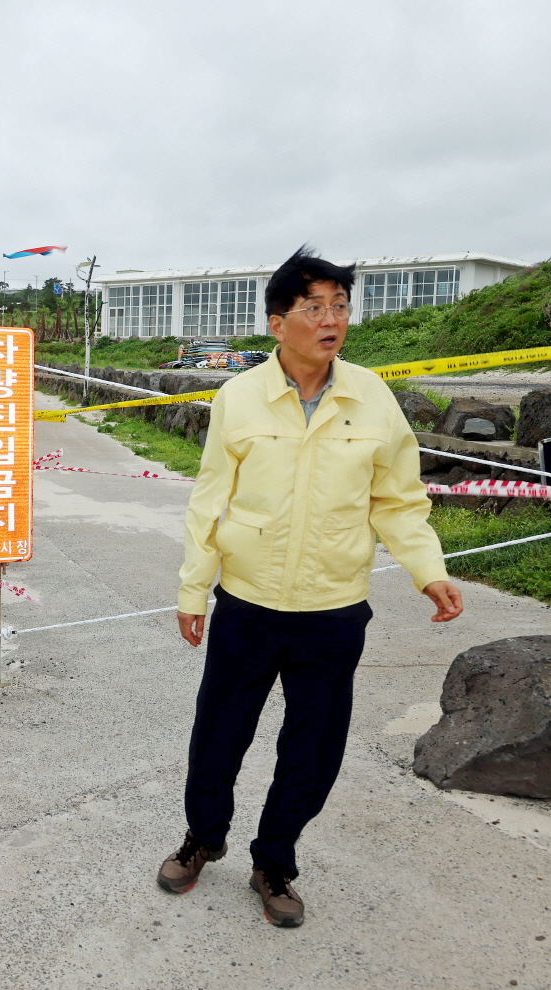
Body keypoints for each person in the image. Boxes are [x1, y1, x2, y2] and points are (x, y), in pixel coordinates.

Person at [160, 247, 463, 928]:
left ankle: (275, 862)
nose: (331, 320)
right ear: (278, 322)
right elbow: (210, 501)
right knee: (219, 735)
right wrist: (192, 590)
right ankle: (203, 839)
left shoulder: (372, 397)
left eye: (340, 306)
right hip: (247, 604)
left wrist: (428, 570)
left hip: (333, 610)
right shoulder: (238, 398)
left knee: (314, 747)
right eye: (314, 307)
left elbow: (398, 501)